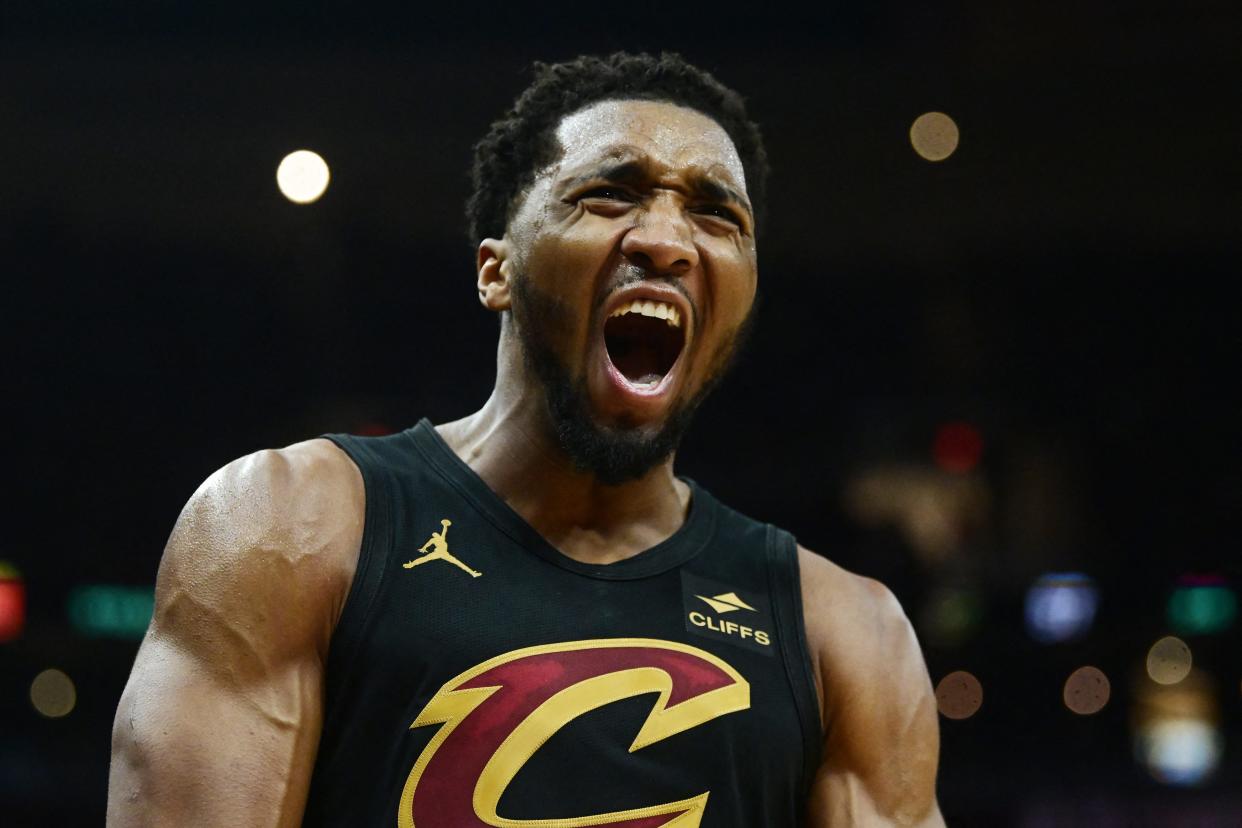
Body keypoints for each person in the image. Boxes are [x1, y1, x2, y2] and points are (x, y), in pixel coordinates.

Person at [108, 52, 944, 827]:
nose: (665, 241)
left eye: (715, 214)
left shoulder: (846, 633)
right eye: (611, 195)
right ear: (495, 270)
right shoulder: (287, 525)